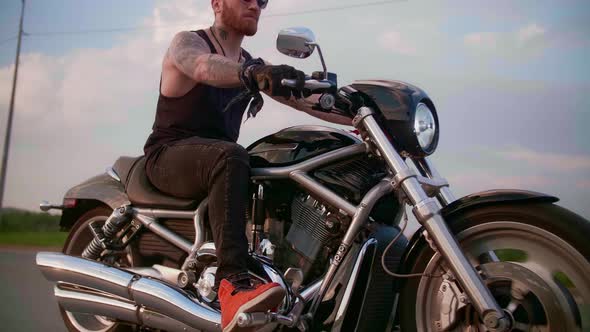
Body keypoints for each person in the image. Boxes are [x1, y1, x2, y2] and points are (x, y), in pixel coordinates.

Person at [143, 0, 351, 330]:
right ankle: (232, 284)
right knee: (231, 155)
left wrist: (361, 115)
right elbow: (200, 66)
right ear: (216, 3)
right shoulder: (189, 42)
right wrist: (252, 74)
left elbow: (305, 101)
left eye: (262, 0)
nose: (255, 4)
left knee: (267, 166)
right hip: (167, 155)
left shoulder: (251, 64)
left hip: (212, 158)